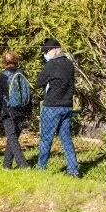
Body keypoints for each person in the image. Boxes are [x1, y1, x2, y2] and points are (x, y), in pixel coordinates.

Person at [34, 38, 79, 177]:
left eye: (46, 51)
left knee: (46, 139)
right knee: (66, 139)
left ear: (54, 49)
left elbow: (38, 82)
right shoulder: (69, 64)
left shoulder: (51, 65)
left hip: (52, 106)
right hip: (66, 106)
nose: (45, 54)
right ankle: (73, 169)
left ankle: (41, 167)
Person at [0, 51, 31, 169]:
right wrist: (29, 111)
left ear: (4, 62)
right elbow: (28, 94)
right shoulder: (22, 74)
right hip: (22, 110)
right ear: (16, 61)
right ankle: (6, 165)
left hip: (7, 111)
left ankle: (23, 164)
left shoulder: (1, 77)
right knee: (12, 138)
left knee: (12, 138)